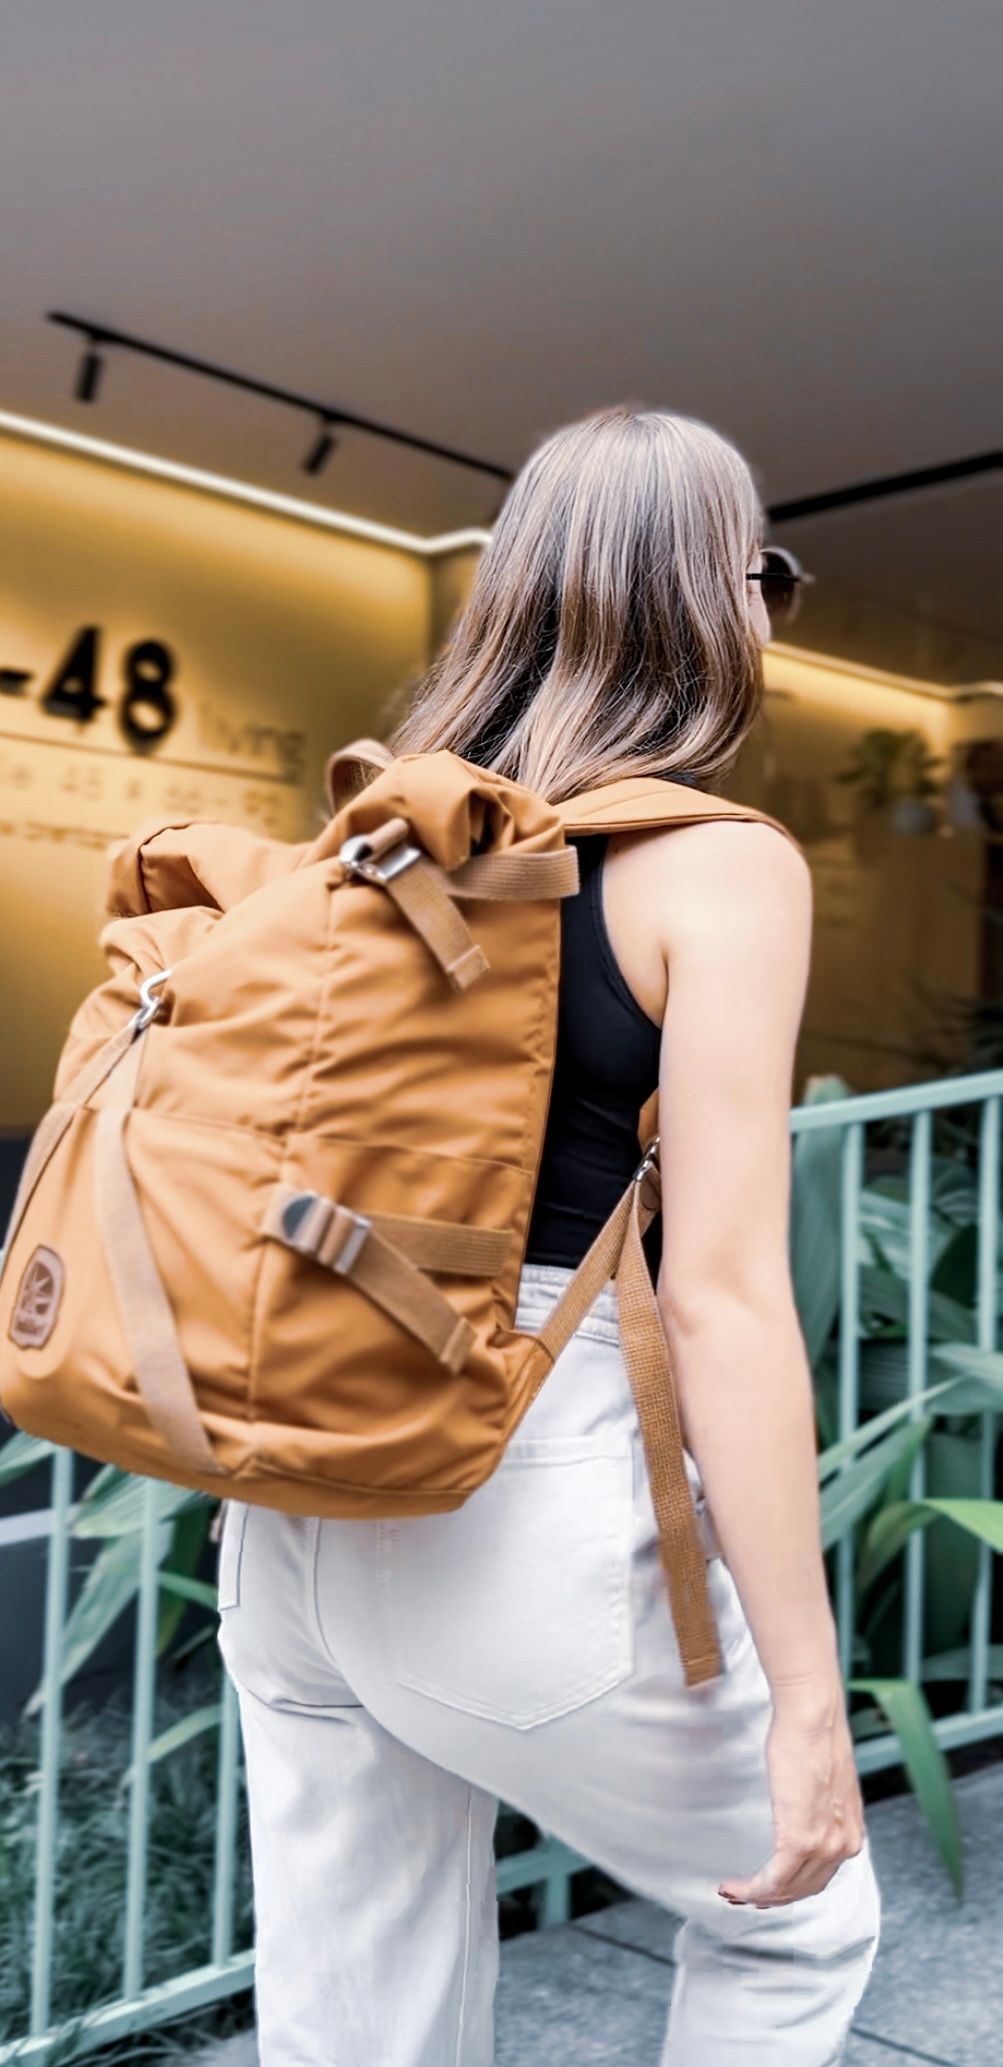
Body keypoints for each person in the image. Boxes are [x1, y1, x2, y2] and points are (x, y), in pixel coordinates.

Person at [215, 405, 881, 2065]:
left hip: (291, 1493)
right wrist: (811, 1697)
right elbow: (723, 1301)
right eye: (766, 579)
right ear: (717, 596)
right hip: (517, 1479)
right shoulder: (718, 868)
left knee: (360, 2021)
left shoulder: (369, 841)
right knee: (795, 1920)